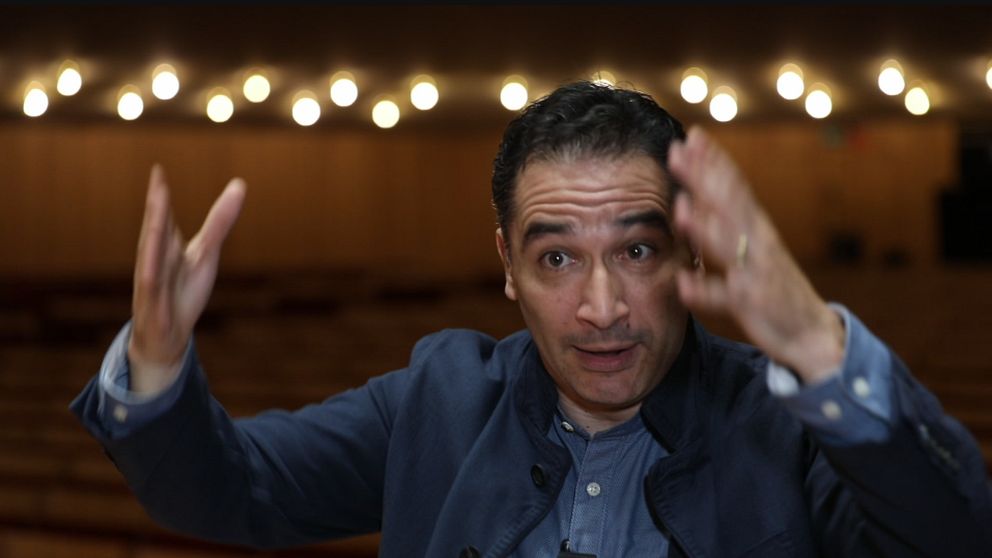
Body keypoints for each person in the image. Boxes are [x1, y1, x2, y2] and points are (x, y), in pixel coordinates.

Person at [72, 82, 992, 557]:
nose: (602, 308)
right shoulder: (436, 399)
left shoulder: (785, 428)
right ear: (506, 266)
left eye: (638, 251)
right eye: (557, 258)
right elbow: (226, 492)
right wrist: (155, 363)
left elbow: (955, 538)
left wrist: (823, 353)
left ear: (692, 255)